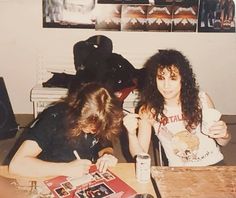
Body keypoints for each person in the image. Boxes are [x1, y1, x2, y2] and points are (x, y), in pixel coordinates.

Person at [123, 49, 231, 166]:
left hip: (214, 165)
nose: (166, 85)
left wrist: (224, 135)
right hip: (179, 173)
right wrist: (131, 133)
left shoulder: (202, 99)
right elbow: (139, 155)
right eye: (161, 78)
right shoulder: (149, 110)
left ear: (183, 79)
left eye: (173, 78)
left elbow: (223, 142)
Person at [9, 82, 123, 178]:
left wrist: (107, 155)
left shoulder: (100, 119)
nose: (94, 131)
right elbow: (16, 165)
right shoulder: (53, 118)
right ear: (77, 111)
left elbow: (104, 144)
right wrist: (65, 169)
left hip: (82, 178)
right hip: (48, 176)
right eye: (89, 126)